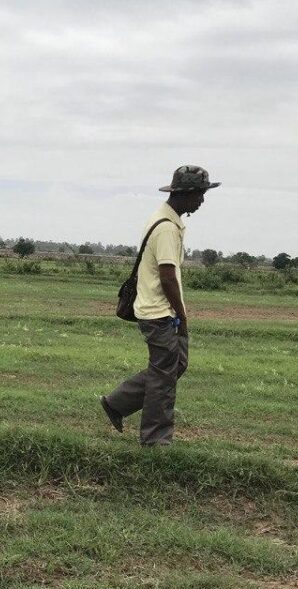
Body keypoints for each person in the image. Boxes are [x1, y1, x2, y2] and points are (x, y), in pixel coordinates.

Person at [101, 165, 220, 445]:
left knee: (174, 365)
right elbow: (167, 277)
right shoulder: (166, 228)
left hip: (156, 310)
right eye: (200, 194)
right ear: (186, 194)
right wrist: (182, 314)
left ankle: (117, 403)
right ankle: (156, 441)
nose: (202, 200)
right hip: (159, 312)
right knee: (164, 378)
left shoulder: (166, 220)